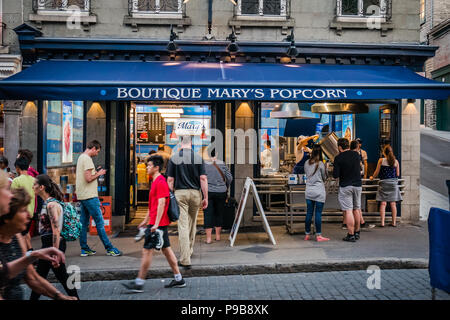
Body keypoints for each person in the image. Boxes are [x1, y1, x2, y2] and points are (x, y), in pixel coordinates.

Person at [122, 155, 186, 293]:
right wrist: (145, 221)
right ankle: (179, 278)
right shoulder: (156, 181)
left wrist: (155, 224)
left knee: (147, 251)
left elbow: (162, 202)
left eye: (149, 165)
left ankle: (139, 282)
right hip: (156, 223)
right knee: (166, 250)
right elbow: (153, 205)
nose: (147, 167)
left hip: (158, 224)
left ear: (157, 167)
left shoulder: (160, 182)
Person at [0, 188, 77, 300]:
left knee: (58, 275)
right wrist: (33, 256)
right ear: (6, 215)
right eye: (23, 210)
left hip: (49, 245)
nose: (29, 215)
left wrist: (60, 297)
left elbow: (32, 278)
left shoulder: (17, 236)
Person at [29, 175, 80, 300]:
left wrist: (55, 252)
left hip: (52, 245)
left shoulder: (51, 205)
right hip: (49, 245)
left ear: (42, 187)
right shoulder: (49, 203)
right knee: (41, 278)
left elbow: (56, 230)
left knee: (59, 277)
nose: (32, 187)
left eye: (35, 184)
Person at [167, 135, 208, 269]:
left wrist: (170, 195)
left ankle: (185, 258)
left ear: (180, 143)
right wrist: (205, 197)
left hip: (180, 193)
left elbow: (170, 180)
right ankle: (189, 250)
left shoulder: (174, 157)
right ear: (191, 143)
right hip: (195, 194)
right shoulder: (198, 157)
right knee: (192, 223)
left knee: (183, 225)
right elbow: (203, 179)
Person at [76, 140, 122, 257]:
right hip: (90, 196)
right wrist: (99, 173)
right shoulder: (87, 159)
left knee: (84, 222)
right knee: (100, 223)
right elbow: (88, 178)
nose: (97, 153)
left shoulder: (81, 157)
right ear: (94, 148)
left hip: (82, 195)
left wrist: (95, 172)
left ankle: (84, 248)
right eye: (97, 151)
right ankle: (109, 248)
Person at [333, 138, 362, 242]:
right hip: (358, 185)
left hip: (346, 186)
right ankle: (357, 232)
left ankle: (351, 234)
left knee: (348, 210)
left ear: (340, 147)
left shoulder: (338, 158)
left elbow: (335, 175)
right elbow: (360, 169)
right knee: (356, 209)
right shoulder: (356, 155)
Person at [201, 147, 232, 244]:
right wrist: (225, 186)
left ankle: (208, 239)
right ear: (217, 154)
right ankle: (218, 236)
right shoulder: (222, 163)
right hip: (221, 192)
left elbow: (201, 178)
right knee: (219, 213)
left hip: (208, 192)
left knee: (208, 214)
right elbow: (230, 177)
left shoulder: (204, 165)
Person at [371, 145, 402, 227]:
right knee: (393, 204)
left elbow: (376, 172)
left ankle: (382, 223)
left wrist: (372, 177)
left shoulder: (381, 160)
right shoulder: (396, 161)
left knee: (383, 203)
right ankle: (394, 222)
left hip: (383, 183)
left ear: (384, 152)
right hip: (393, 184)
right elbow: (398, 174)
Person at [303, 145, 330, 242]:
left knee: (309, 213)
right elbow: (324, 178)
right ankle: (318, 236)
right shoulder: (321, 164)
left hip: (309, 191)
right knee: (318, 213)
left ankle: (307, 234)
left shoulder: (306, 163)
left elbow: (307, 175)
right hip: (319, 191)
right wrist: (326, 168)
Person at [11, 157, 35, 252]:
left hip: (20, 214)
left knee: (19, 236)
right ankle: (30, 253)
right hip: (31, 213)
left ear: (17, 168)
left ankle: (27, 258)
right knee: (25, 234)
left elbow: (12, 197)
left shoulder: (16, 181)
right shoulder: (33, 180)